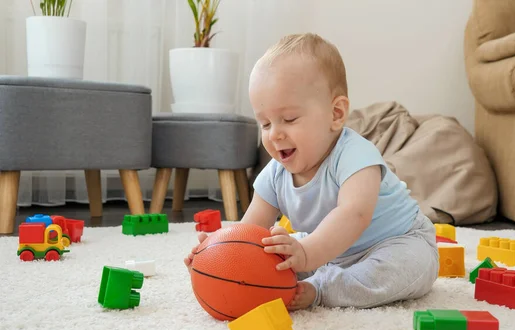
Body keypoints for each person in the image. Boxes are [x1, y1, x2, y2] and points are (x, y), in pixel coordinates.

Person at [184, 32, 439, 311]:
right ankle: (316, 270)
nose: (275, 135)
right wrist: (219, 253)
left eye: (289, 119)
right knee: (277, 250)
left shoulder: (355, 155)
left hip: (397, 241)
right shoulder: (275, 174)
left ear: (336, 114)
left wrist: (306, 254)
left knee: (404, 268)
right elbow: (250, 231)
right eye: (265, 124)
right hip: (328, 250)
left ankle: (322, 288)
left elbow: (355, 214)